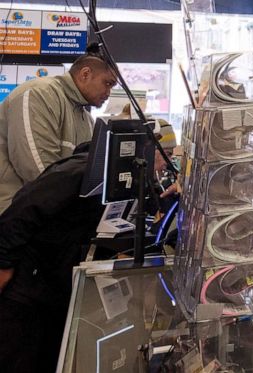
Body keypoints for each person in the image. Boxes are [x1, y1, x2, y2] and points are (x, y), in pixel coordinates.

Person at [0, 129, 173, 373]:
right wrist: (3, 264)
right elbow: (20, 214)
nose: (165, 164)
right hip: (29, 288)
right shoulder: (78, 172)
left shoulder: (129, 182)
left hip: (60, 287)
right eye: (164, 155)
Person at [0, 51, 118, 213]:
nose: (108, 93)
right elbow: (37, 169)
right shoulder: (39, 94)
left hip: (45, 214)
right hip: (12, 213)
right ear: (85, 74)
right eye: (107, 83)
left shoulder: (86, 119)